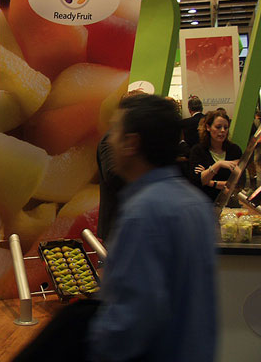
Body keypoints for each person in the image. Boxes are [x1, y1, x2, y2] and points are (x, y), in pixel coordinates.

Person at [15, 95, 217, 361]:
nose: (109, 140)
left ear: (131, 143)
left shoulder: (144, 213)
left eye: (115, 131)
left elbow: (129, 323)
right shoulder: (197, 205)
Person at [189, 109, 243, 202]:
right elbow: (197, 181)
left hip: (228, 203)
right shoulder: (198, 150)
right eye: (218, 127)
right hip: (204, 201)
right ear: (208, 127)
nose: (222, 131)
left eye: (225, 127)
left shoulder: (234, 150)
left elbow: (239, 184)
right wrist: (219, 164)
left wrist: (210, 182)